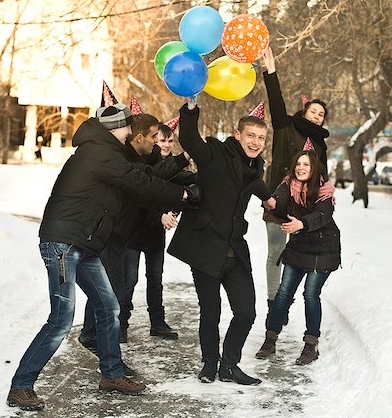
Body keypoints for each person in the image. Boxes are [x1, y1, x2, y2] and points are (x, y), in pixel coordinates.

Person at [7, 103, 196, 411]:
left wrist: (178, 174)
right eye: (127, 127)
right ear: (118, 129)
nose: (130, 132)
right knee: (61, 319)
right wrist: (182, 197)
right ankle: (21, 386)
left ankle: (111, 374)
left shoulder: (107, 152)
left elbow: (143, 173)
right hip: (64, 245)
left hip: (82, 243)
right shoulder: (99, 152)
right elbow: (140, 183)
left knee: (108, 306)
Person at [168, 99, 275, 386]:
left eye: (261, 138)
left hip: (234, 250)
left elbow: (254, 184)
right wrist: (191, 108)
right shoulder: (214, 154)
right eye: (250, 135)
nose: (255, 142)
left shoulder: (255, 167)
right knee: (211, 310)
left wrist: (270, 199)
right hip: (206, 247)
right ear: (238, 135)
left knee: (246, 311)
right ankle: (210, 364)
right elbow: (189, 138)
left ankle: (229, 365)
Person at [256, 46, 331, 359]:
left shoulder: (321, 145)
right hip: (280, 200)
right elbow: (276, 102)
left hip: (307, 210)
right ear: (304, 113)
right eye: (313, 111)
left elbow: (322, 179)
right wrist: (270, 71)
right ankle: (276, 303)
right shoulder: (286, 127)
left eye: (321, 114)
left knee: (298, 256)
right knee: (276, 250)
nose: (316, 116)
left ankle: (292, 318)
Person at [257, 150, 340, 364]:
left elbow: (322, 214)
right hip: (299, 246)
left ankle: (311, 345)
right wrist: (272, 202)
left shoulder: (324, 189)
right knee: (284, 293)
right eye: (298, 164)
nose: (301, 168)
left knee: (311, 294)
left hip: (323, 249)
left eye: (306, 165)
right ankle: (270, 339)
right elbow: (280, 199)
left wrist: (301, 224)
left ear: (314, 169)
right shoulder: (288, 184)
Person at [120, 122, 196, 342]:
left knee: (156, 278)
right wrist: (159, 213)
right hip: (133, 232)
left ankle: (158, 323)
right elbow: (140, 195)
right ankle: (121, 323)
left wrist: (172, 211)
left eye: (170, 141)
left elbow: (177, 192)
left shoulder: (170, 166)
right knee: (128, 280)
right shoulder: (139, 162)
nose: (165, 144)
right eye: (161, 140)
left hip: (154, 235)